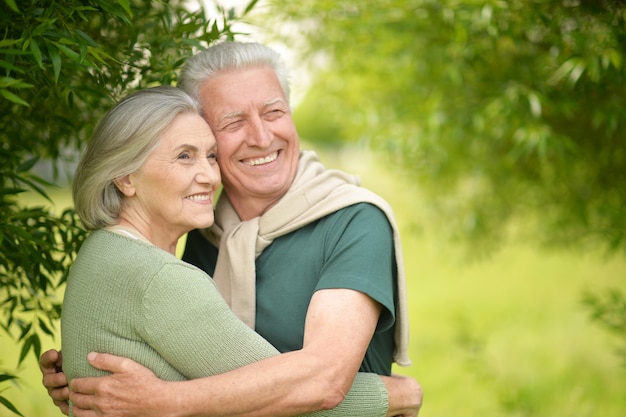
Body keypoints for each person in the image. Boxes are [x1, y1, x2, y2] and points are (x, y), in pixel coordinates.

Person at [41, 42, 422, 416]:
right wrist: (83, 376)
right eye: (234, 121)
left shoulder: (352, 220)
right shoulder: (203, 236)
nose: (260, 136)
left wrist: (166, 401)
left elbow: (322, 382)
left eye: (273, 112)